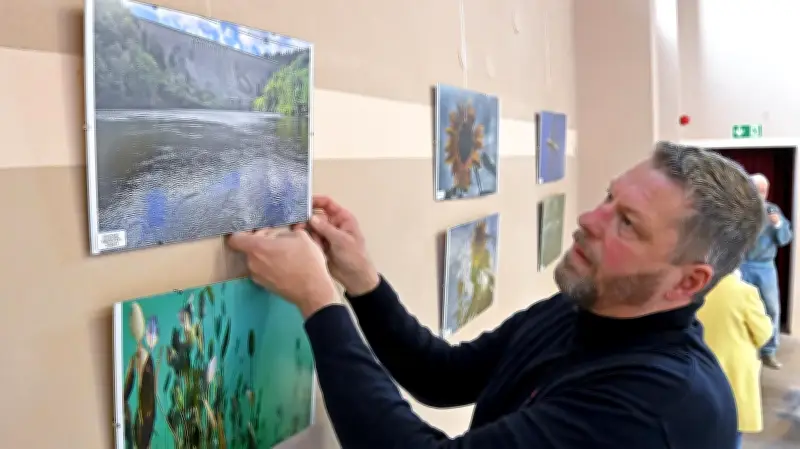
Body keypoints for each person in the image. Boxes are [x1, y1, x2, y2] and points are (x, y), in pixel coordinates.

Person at [227, 142, 765, 448]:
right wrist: (361, 281)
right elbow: (444, 374)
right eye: (607, 197)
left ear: (689, 281)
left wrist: (318, 301)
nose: (587, 220)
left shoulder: (657, 405)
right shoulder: (590, 302)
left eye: (626, 222)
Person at [696, 269, 773, 449]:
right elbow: (764, 334)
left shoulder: (698, 290)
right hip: (734, 370)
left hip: (701, 364)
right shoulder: (745, 292)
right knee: (732, 430)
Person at [739, 173, 793, 369]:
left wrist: (778, 223)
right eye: (757, 188)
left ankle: (769, 351)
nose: (761, 192)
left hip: (765, 267)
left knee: (771, 308)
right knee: (740, 307)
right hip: (741, 266)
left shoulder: (773, 210)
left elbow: (785, 239)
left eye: (764, 189)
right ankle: (745, 349)